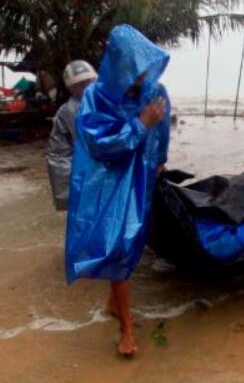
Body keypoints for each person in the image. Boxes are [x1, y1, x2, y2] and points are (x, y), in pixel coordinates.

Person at [65, 25, 170, 356]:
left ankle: (114, 300)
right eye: (133, 67)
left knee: (132, 242)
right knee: (118, 244)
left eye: (144, 67)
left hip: (140, 175)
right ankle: (126, 328)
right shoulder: (97, 97)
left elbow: (163, 131)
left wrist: (161, 161)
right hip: (109, 178)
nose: (140, 76)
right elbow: (98, 144)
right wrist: (141, 123)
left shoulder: (155, 91)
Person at [46, 60, 97, 211]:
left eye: (88, 82)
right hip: (87, 178)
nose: (86, 88)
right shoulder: (68, 112)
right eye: (80, 85)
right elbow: (58, 155)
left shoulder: (108, 103)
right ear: (71, 89)